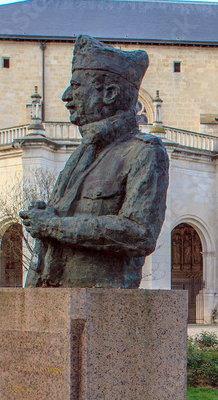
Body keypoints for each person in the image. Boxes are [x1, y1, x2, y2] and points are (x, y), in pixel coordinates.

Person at [19, 35, 169, 288]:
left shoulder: (144, 152)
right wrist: (46, 217)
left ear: (109, 93)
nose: (67, 97)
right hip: (53, 297)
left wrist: (54, 225)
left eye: (77, 87)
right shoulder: (82, 153)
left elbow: (139, 233)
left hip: (101, 301)